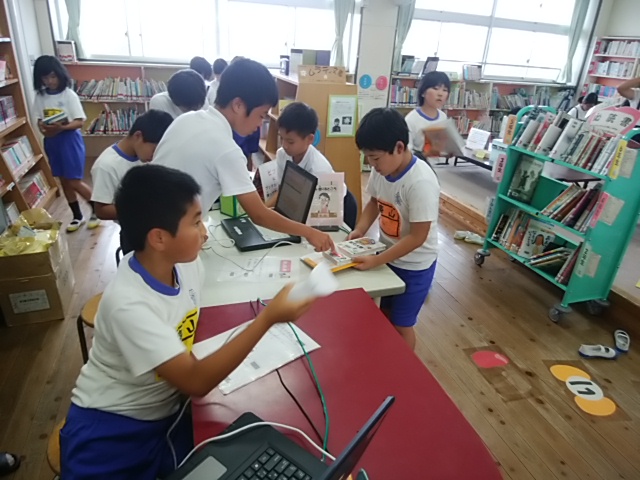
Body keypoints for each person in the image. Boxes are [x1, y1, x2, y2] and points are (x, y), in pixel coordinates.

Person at [59, 164, 315, 480]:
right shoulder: (129, 304)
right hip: (112, 428)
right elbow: (195, 381)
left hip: (167, 412)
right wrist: (269, 318)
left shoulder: (186, 266)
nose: (204, 231)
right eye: (195, 222)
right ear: (159, 238)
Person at [153, 59, 334, 252]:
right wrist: (310, 232)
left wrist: (196, 225)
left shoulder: (186, 119)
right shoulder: (226, 148)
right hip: (165, 241)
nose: (260, 124)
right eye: (261, 115)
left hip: (148, 227)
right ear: (238, 105)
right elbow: (259, 215)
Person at [347, 108, 439, 350]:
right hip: (388, 256)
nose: (372, 164)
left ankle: (405, 367)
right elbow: (374, 202)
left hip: (415, 266)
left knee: (402, 324)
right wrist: (360, 229)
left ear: (399, 147)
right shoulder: (382, 170)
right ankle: (385, 356)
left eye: (375, 158)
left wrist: (377, 261)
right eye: (367, 158)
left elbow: (418, 237)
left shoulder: (420, 182)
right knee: (382, 312)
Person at [91, 109, 174, 253]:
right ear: (138, 136)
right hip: (134, 233)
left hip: (157, 224)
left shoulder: (143, 155)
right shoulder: (106, 166)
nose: (155, 155)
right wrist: (143, 210)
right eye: (154, 149)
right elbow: (101, 210)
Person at [32, 55, 99, 233]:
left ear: (60, 75)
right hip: (52, 142)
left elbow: (80, 121)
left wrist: (61, 127)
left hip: (69, 141)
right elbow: (38, 120)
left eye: (53, 76)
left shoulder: (69, 95)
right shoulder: (40, 96)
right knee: (64, 181)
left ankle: (97, 209)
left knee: (74, 181)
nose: (49, 81)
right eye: (45, 78)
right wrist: (44, 128)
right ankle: (77, 216)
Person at [266, 102, 338, 208]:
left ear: (310, 139)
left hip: (330, 204)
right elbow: (283, 190)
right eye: (281, 138)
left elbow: (319, 207)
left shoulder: (319, 169)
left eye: (290, 141)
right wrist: (264, 209)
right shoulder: (282, 154)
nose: (284, 145)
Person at [405, 71, 450, 156]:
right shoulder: (411, 119)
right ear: (423, 92)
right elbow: (407, 150)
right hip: (420, 162)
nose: (440, 94)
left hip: (440, 162)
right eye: (435, 88)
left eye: (445, 90)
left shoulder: (443, 116)